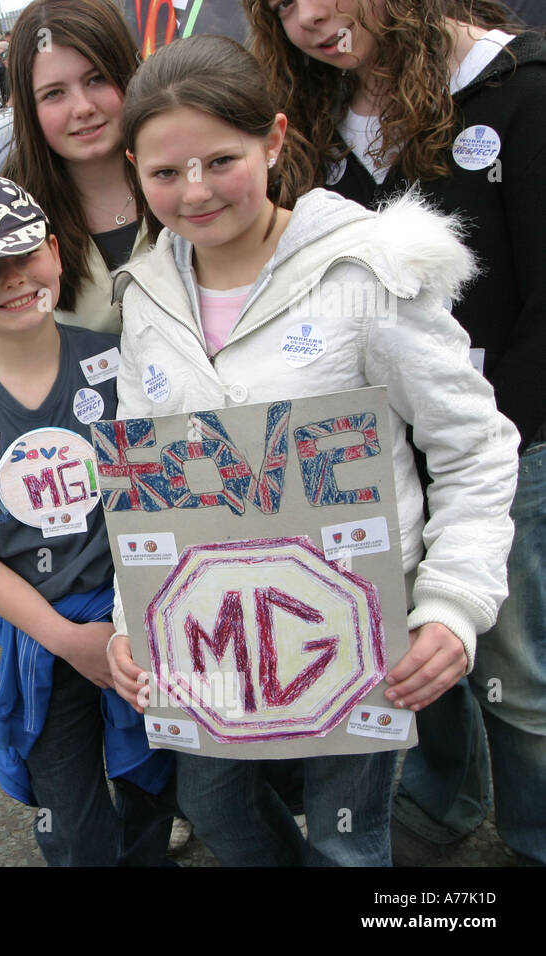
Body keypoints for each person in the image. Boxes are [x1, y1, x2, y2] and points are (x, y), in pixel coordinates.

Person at [106, 34, 519, 866]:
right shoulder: (144, 293)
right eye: (164, 173)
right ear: (134, 170)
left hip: (355, 636)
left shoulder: (363, 272)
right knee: (215, 812)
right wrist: (131, 624)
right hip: (208, 641)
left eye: (221, 159)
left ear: (275, 138)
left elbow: (473, 446)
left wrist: (451, 605)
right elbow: (142, 482)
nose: (195, 191)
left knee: (348, 839)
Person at [246, 0, 546, 866]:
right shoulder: (311, 119)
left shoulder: (518, 89)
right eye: (281, 5)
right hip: (379, 462)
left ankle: (532, 832)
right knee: (418, 656)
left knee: (516, 670)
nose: (311, 17)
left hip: (504, 448)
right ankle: (446, 799)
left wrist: (477, 440)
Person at [0, 176, 174, 866]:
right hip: (47, 640)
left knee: (155, 781)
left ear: (56, 252)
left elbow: (162, 496)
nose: (12, 281)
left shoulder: (117, 364)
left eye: (22, 255)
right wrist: (68, 639)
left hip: (140, 620)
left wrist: (124, 625)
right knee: (74, 814)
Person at [1, 0, 145, 333]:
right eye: (54, 94)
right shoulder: (9, 219)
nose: (82, 107)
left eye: (96, 79)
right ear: (28, 107)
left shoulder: (195, 177)